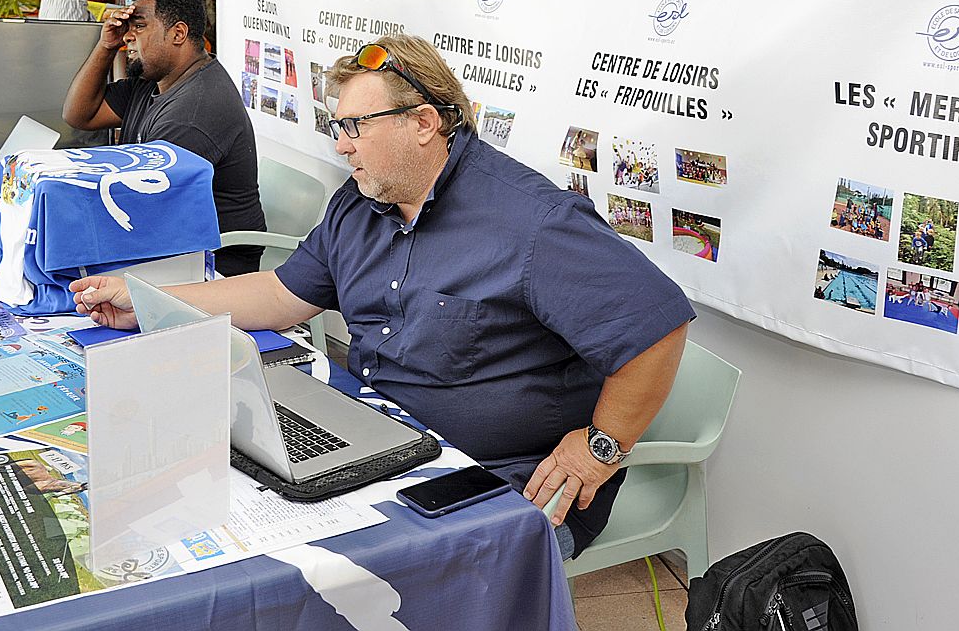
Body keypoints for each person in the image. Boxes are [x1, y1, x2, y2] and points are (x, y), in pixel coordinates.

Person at [69, 34, 692, 558]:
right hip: (377, 437)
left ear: (424, 123)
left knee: (362, 577)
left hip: (500, 480)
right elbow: (285, 294)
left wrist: (602, 447)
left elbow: (657, 328)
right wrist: (148, 301)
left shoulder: (533, 223)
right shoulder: (362, 198)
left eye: (354, 128)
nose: (341, 145)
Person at [59, 0, 266, 274]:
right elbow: (80, 115)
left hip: (213, 263)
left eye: (139, 26)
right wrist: (106, 46)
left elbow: (139, 203)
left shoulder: (196, 109)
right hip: (167, 239)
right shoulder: (156, 80)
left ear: (178, 33)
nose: (128, 36)